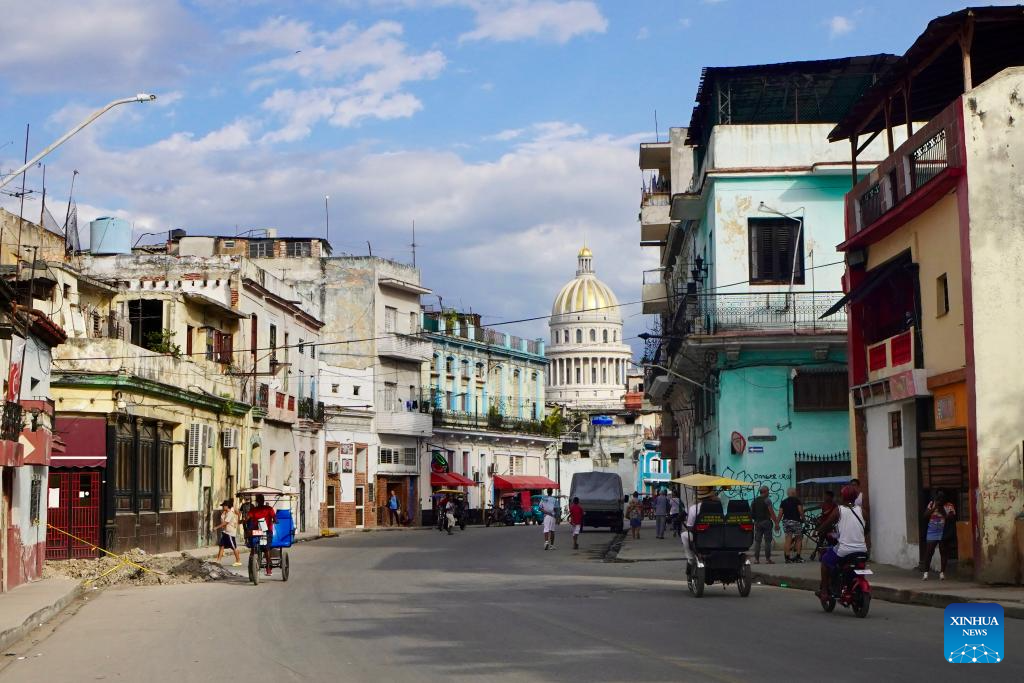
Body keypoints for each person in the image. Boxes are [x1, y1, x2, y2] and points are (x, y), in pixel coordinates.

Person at [816, 486, 868, 600]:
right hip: (862, 550)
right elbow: (867, 529)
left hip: (844, 550)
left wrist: (819, 531)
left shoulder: (838, 510)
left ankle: (824, 591)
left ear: (843, 497)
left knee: (825, 560)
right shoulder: (862, 511)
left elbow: (827, 524)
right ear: (855, 497)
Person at [681, 487, 719, 572]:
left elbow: (689, 525)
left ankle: (690, 558)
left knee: (684, 535)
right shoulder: (718, 506)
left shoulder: (694, 508)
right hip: (718, 535)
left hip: (701, 537)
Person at [921, 490, 956, 580]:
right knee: (929, 552)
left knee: (943, 552)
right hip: (932, 531)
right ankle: (926, 573)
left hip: (944, 532)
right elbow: (925, 515)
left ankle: (942, 573)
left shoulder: (949, 506)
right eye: (939, 496)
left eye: (942, 497)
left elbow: (951, 518)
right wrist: (935, 507)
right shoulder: (932, 503)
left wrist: (942, 510)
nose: (940, 499)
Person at [247, 493, 277, 576]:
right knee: (253, 546)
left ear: (263, 501)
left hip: (267, 532)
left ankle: (268, 567)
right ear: (257, 501)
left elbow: (274, 517)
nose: (260, 501)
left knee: (266, 548)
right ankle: (252, 562)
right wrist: (244, 519)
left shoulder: (269, 509)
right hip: (257, 531)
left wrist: (275, 520)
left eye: (261, 500)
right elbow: (248, 517)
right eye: (259, 500)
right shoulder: (254, 510)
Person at [750, 486, 778, 564]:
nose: (768, 493)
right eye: (768, 491)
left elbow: (752, 512)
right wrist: (776, 523)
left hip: (757, 522)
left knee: (757, 541)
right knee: (767, 541)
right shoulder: (767, 500)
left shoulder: (754, 500)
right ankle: (767, 559)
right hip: (766, 522)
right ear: (765, 492)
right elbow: (771, 512)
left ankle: (756, 559)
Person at [779, 488, 805, 563]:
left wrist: (777, 523)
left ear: (788, 493)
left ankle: (787, 558)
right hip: (796, 521)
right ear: (794, 493)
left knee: (788, 539)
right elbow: (800, 511)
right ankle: (798, 557)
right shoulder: (797, 501)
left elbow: (780, 513)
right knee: (798, 539)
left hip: (786, 522)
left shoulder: (783, 502)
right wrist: (803, 519)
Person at [214, 500, 241, 567]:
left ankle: (238, 561)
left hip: (230, 533)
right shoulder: (225, 513)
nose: (222, 507)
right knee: (221, 546)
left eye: (223, 506)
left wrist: (217, 527)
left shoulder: (230, 513)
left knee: (233, 547)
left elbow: (225, 523)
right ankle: (218, 560)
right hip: (225, 532)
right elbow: (222, 520)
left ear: (227, 506)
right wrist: (223, 514)